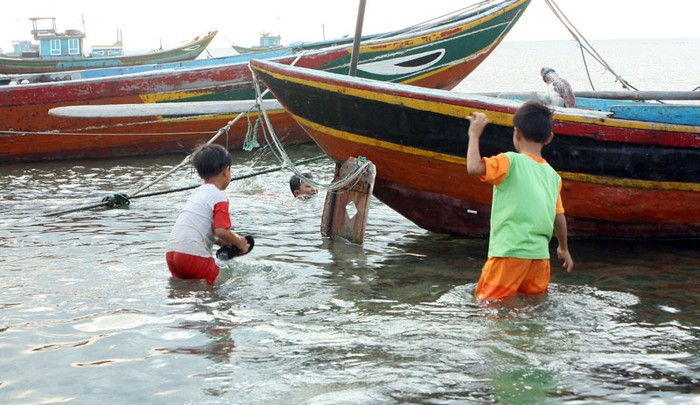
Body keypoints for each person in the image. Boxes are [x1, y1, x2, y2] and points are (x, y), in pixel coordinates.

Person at [466, 100, 574, 301]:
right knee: (533, 307)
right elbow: (559, 217)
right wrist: (563, 248)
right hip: (540, 258)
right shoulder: (552, 176)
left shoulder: (510, 161)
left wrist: (474, 134)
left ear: (516, 133)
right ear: (549, 138)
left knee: (489, 307)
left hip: (509, 253)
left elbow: (473, 168)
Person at [166, 144, 250, 285]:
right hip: (194, 256)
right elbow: (221, 230)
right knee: (219, 289)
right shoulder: (219, 197)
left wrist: (223, 242)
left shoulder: (197, 193)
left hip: (172, 255)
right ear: (226, 170)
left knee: (185, 292)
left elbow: (202, 230)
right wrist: (239, 242)